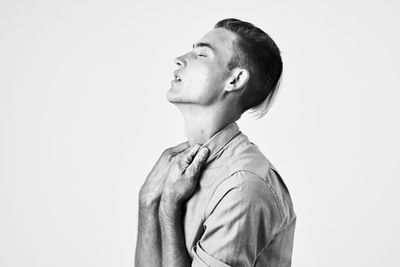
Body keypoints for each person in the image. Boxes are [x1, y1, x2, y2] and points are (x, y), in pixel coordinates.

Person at [135, 18, 296, 267]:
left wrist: (168, 209)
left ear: (234, 79)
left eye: (202, 54)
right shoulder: (177, 168)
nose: (180, 59)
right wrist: (148, 202)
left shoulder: (243, 186)